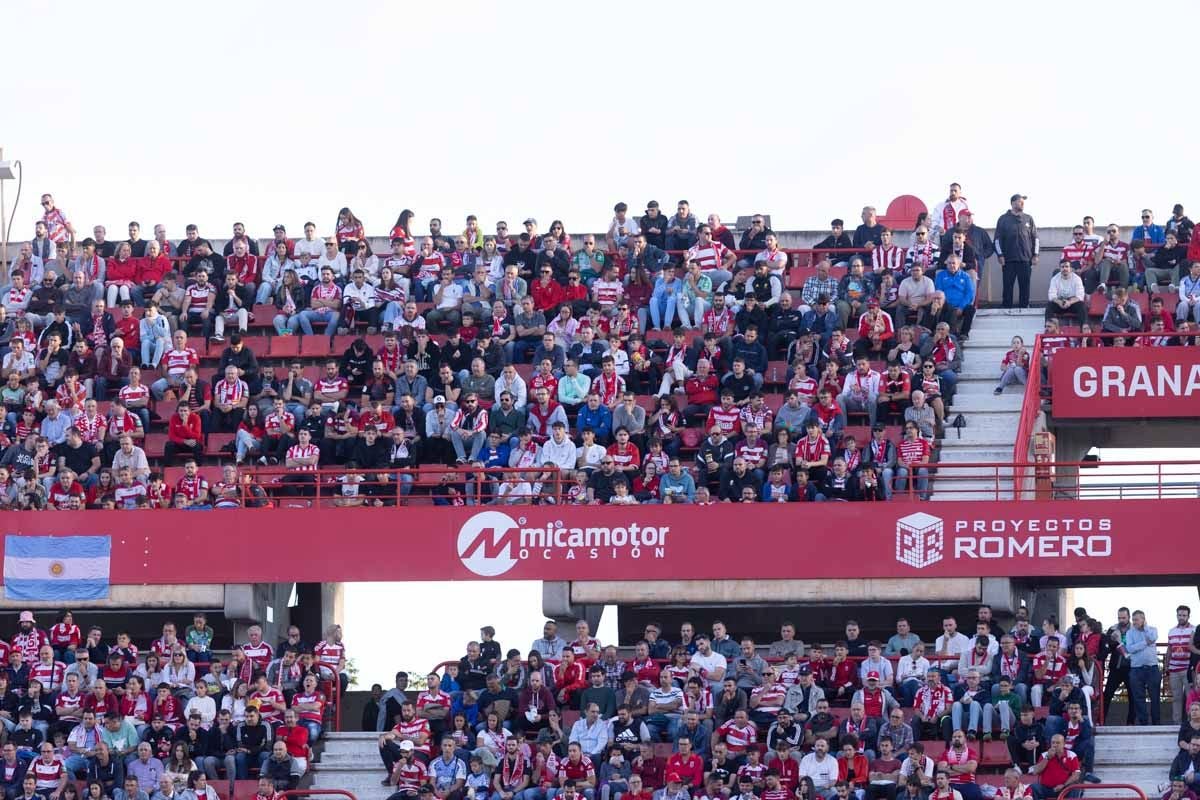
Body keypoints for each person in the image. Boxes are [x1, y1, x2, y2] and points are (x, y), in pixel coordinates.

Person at [993, 195, 1039, 310]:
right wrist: (1000, 255)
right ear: (1013, 203)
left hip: (1025, 259)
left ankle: (1024, 306)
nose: (1023, 204)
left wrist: (1035, 255)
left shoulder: (1029, 218)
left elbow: (1035, 238)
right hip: (1008, 260)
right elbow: (997, 240)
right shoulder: (1003, 219)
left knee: (1025, 285)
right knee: (1008, 285)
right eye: (1020, 202)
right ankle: (1006, 307)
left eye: (1023, 202)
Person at [1127, 610, 1161, 726]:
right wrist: (1145, 643)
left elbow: (1152, 638)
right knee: (1138, 697)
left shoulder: (1152, 629)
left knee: (1155, 696)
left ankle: (1156, 722)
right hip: (1136, 669)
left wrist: (1145, 628)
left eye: (1136, 619)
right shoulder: (1129, 633)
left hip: (1152, 668)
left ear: (1143, 619)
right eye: (1133, 619)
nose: (1134, 622)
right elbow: (1130, 649)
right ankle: (1143, 722)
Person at [1028, 734, 1080, 800]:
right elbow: (1035, 772)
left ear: (1064, 744)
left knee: (1075, 788)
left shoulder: (1071, 755)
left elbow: (1076, 775)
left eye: (1058, 743)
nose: (1055, 745)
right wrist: (1047, 758)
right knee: (1033, 787)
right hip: (1047, 789)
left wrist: (1064, 785)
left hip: (1064, 788)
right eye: (1053, 743)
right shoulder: (1044, 755)